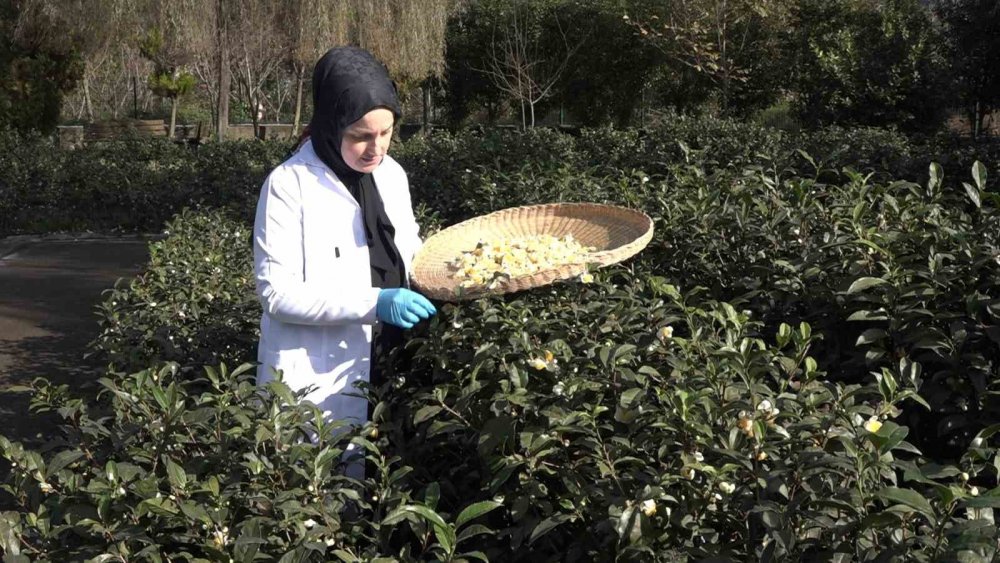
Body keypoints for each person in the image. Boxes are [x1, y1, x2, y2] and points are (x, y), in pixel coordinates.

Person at [253, 46, 437, 430]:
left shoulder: (391, 174)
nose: (377, 148)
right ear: (332, 125)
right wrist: (375, 303)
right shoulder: (289, 185)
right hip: (319, 374)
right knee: (329, 473)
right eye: (361, 136)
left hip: (390, 356)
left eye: (386, 132)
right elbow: (277, 293)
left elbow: (407, 244)